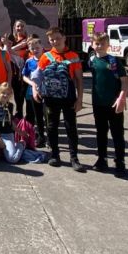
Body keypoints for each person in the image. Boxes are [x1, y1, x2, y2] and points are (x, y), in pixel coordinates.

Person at [33, 26, 86, 172]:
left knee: (71, 127)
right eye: (51, 40)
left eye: (57, 38)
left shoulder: (73, 56)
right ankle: (55, 155)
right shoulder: (45, 56)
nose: (55, 41)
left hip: (68, 97)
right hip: (50, 98)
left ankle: (74, 158)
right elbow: (37, 76)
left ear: (64, 38)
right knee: (51, 126)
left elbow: (79, 80)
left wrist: (79, 99)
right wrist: (34, 89)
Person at [88, 32, 128, 177]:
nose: (99, 46)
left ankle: (120, 162)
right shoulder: (91, 61)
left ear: (108, 45)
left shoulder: (114, 61)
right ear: (92, 45)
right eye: (96, 43)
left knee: (117, 133)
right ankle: (102, 159)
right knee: (101, 132)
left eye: (102, 44)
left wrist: (121, 99)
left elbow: (125, 81)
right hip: (98, 103)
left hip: (114, 103)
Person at [0, 83, 24, 164]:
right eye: (3, 93)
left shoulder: (11, 106)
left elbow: (11, 122)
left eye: (8, 94)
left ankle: (21, 145)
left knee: (12, 159)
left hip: (7, 135)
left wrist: (20, 132)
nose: (5, 95)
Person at [21, 36, 47, 148]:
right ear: (30, 50)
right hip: (34, 92)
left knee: (48, 116)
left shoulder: (48, 59)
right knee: (38, 116)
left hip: (47, 92)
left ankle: (50, 138)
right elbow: (24, 76)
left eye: (37, 47)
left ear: (42, 47)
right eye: (33, 48)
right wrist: (32, 84)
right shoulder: (29, 61)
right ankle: (40, 137)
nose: (35, 50)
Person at [9, 20, 31, 118]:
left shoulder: (28, 40)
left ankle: (28, 117)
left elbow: (23, 54)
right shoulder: (11, 39)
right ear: (14, 27)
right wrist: (19, 46)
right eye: (18, 26)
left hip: (25, 73)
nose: (20, 28)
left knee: (24, 95)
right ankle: (19, 115)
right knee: (17, 96)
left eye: (22, 26)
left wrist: (16, 49)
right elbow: (6, 51)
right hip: (13, 72)